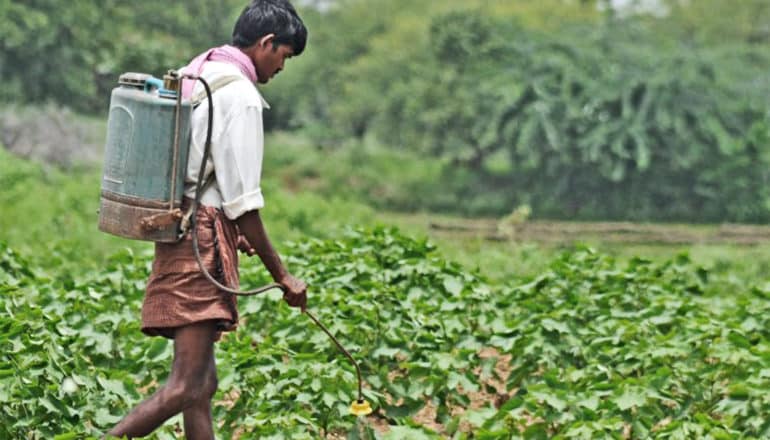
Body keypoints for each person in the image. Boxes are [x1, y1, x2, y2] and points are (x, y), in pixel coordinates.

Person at [107, 1, 308, 438]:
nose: (281, 67)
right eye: (284, 56)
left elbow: (206, 180)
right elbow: (243, 203)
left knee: (202, 385)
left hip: (185, 228)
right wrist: (283, 276)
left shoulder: (202, 72)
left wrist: (233, 229)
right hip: (200, 241)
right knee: (185, 385)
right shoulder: (240, 95)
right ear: (267, 43)